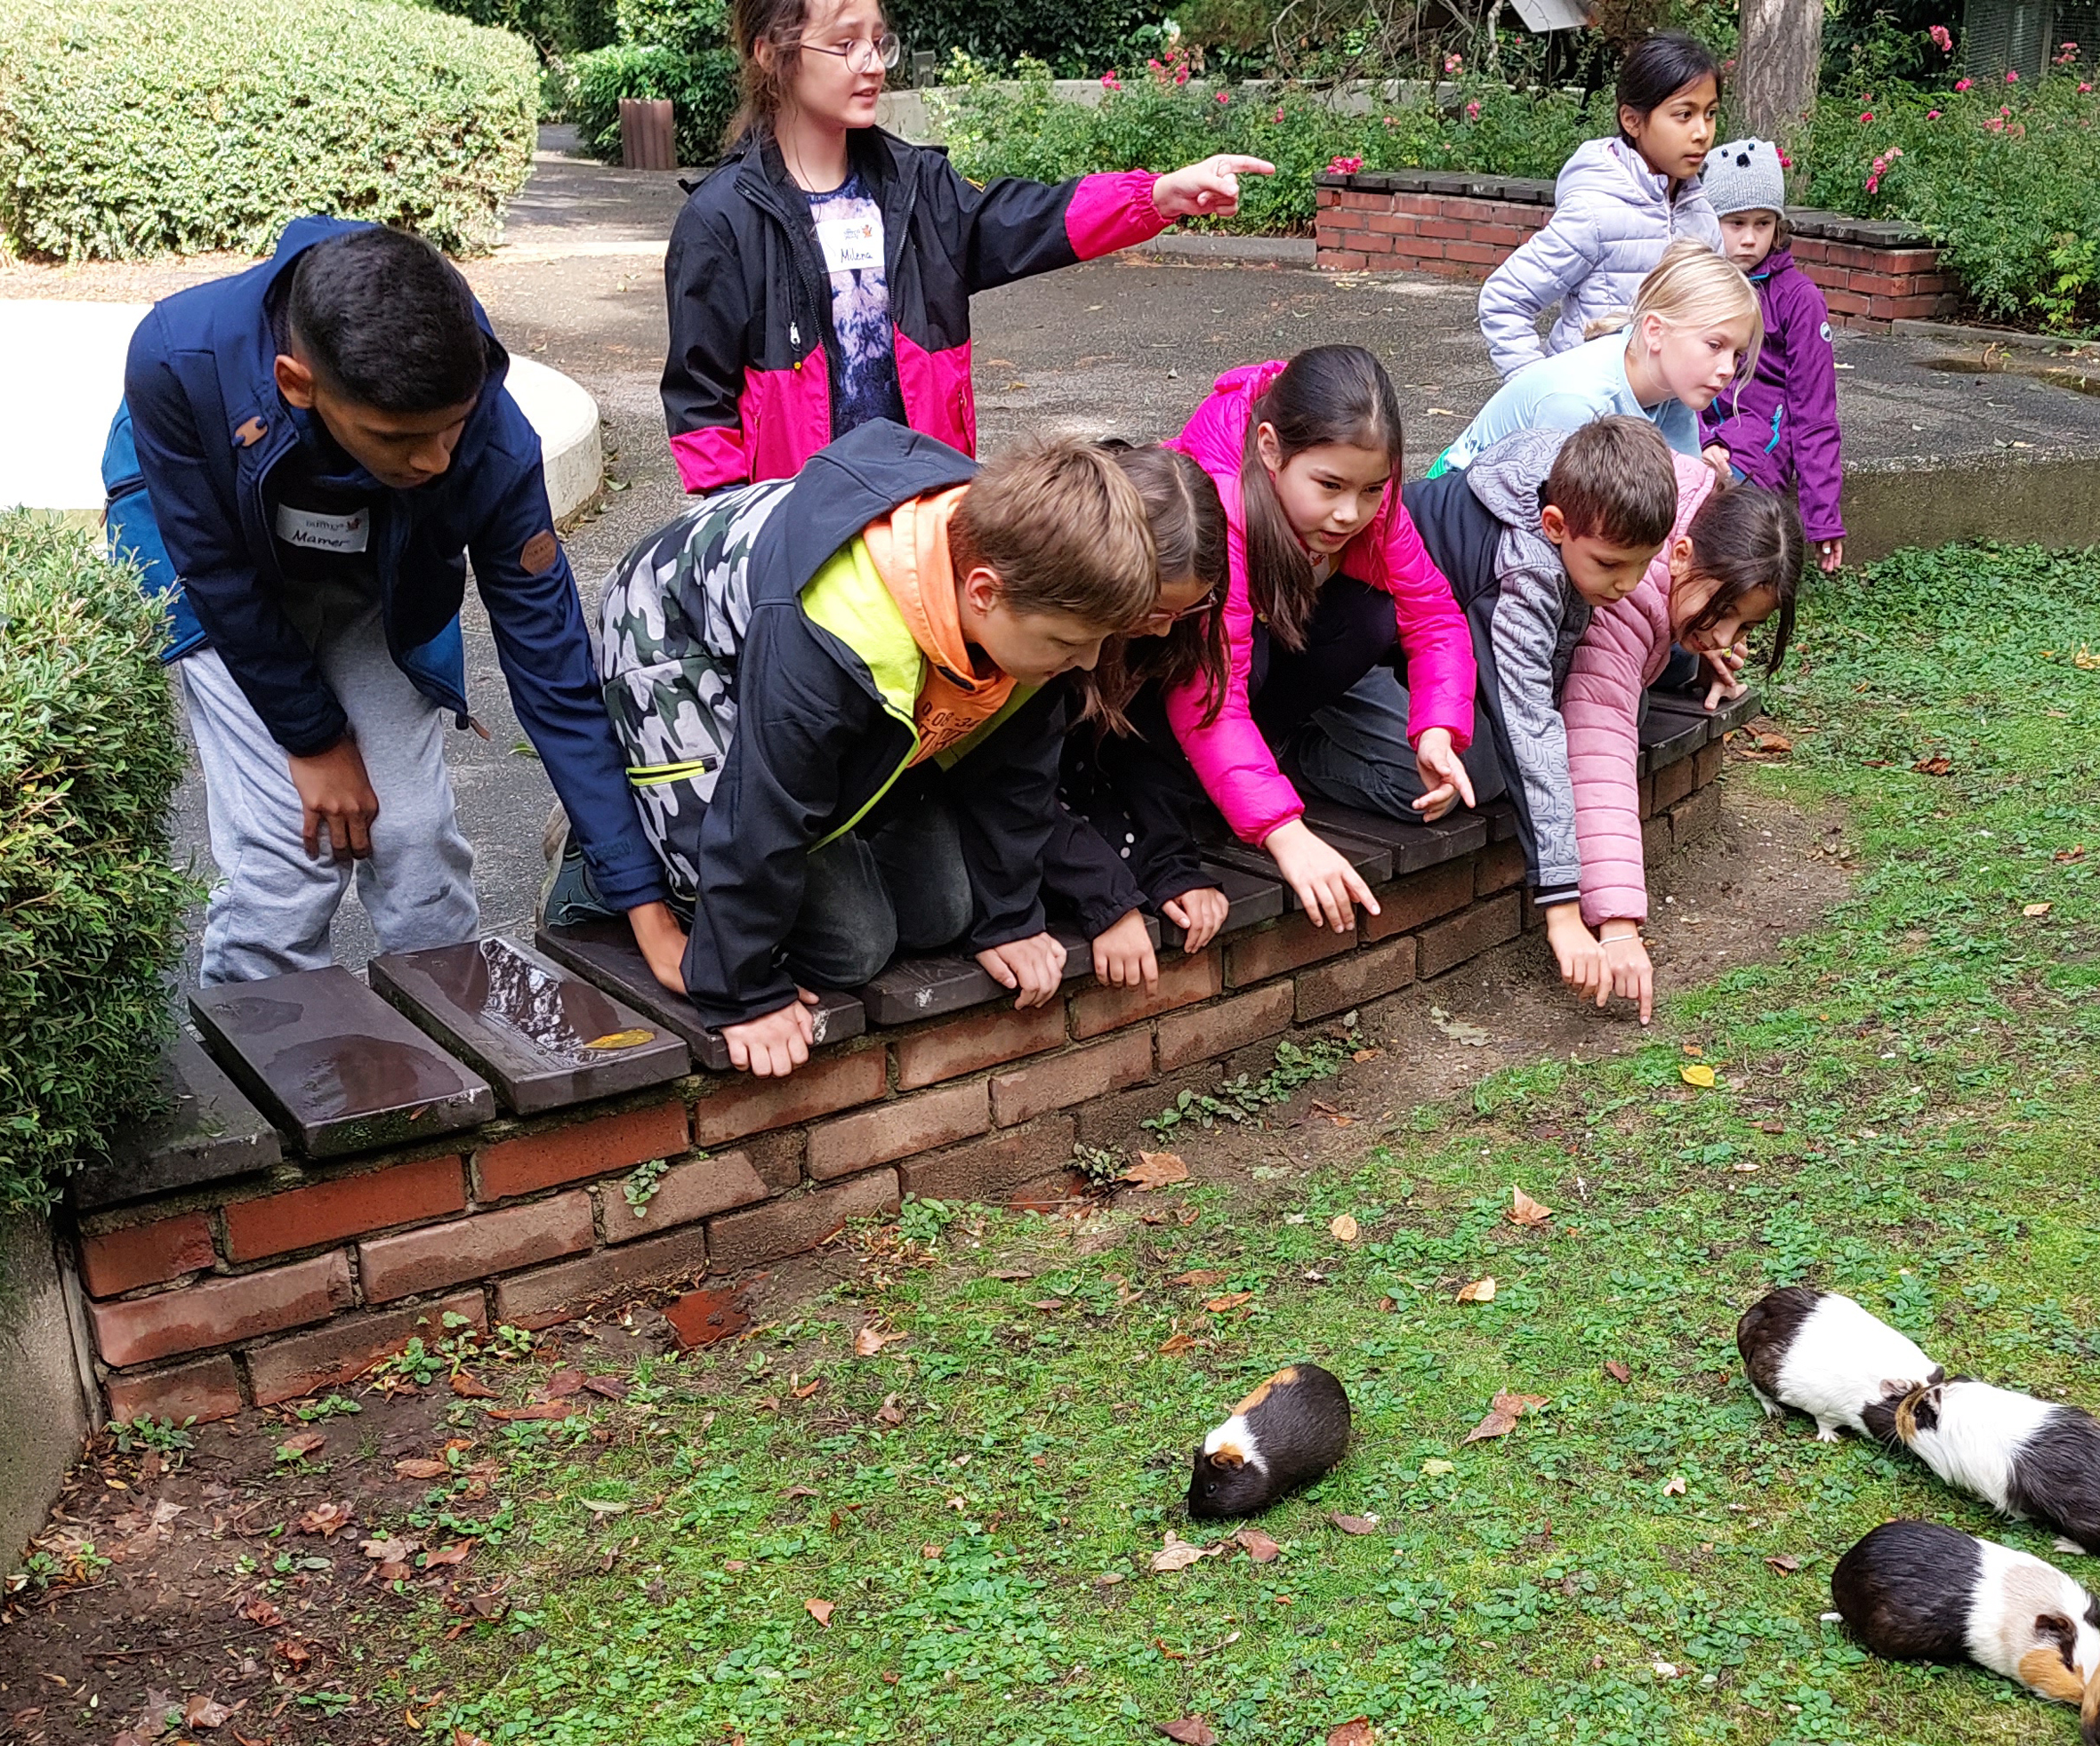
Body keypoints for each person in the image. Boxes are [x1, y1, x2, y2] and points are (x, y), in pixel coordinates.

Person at [105, 218, 674, 986]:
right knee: (290, 859)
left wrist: (643, 900)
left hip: (379, 566)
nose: (436, 459)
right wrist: (313, 739)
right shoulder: (178, 360)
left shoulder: (488, 445)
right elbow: (214, 572)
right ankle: (267, 1069)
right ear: (296, 384)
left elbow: (554, 670)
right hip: (219, 566)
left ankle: (454, 1038)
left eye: (453, 426)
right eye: (399, 436)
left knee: (412, 832)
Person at [583, 422, 1168, 1077]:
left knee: (944, 911)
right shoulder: (833, 627)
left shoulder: (1029, 594)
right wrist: (742, 991)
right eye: (1068, 644)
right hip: (673, 644)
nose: (1087, 662)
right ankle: (618, 837)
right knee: (851, 950)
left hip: (812, 707)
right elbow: (765, 807)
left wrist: (1011, 920)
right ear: (982, 593)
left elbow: (1016, 777)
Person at [662, 0, 1271, 493]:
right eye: (846, 44)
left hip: (926, 503)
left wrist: (1157, 197)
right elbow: (699, 397)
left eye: (879, 40)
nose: (873, 62)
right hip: (796, 525)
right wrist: (735, 529)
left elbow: (1025, 219)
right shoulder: (721, 219)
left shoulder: (918, 188)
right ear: (771, 54)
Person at [1150, 348, 1477, 935]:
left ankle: (1267, 756)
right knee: (1255, 657)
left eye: (1374, 488)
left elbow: (1433, 617)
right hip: (1169, 697)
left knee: (1376, 617)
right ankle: (1211, 784)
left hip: (1265, 683)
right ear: (1270, 448)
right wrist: (1285, 833)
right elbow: (1208, 697)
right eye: (1329, 485)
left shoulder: (1372, 511)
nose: (1350, 513)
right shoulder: (1220, 503)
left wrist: (1438, 728)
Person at [1404, 417, 1679, 1013]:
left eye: (1643, 564)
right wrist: (1562, 909)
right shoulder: (1525, 570)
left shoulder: (1576, 487)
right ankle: (1305, 751)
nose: (1629, 584)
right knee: (1478, 773)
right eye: (1610, 566)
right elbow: (1527, 723)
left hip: (1439, 667)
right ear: (1555, 526)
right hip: (1368, 665)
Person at [1563, 478, 1805, 1021]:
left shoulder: (1687, 509)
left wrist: (1699, 657)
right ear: (1681, 552)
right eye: (1723, 613)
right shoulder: (1622, 602)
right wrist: (1619, 927)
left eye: (1745, 625)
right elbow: (1598, 747)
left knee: (1654, 685)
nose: (1727, 637)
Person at [1038, 441, 1235, 990]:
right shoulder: (1047, 640)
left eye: (1188, 611)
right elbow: (1015, 784)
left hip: (1074, 796)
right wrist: (1106, 899)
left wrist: (1173, 868)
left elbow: (1154, 758)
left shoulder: (1168, 632)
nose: (1168, 629)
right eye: (1153, 610)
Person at [1475, 30, 1721, 376]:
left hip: (1667, 415)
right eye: (1684, 115)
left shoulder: (1702, 217)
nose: (1702, 132)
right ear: (1632, 120)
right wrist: (1539, 394)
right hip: (1593, 419)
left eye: (1710, 113)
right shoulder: (1596, 213)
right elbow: (1504, 299)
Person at [1437, 242, 1759, 475]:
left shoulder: (1669, 386)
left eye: (1738, 354)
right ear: (1655, 331)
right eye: (1715, 345)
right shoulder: (1578, 401)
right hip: (1459, 504)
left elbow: (1683, 488)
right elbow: (1559, 522)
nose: (1728, 369)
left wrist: (1709, 485)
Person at [1697, 138, 1847, 575]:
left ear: (1778, 227)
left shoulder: (1799, 300)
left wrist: (1822, 518)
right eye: (1736, 222)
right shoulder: (1696, 286)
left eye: (1763, 224)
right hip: (1698, 428)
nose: (1749, 239)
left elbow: (1815, 414)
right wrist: (1702, 441)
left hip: (1759, 445)